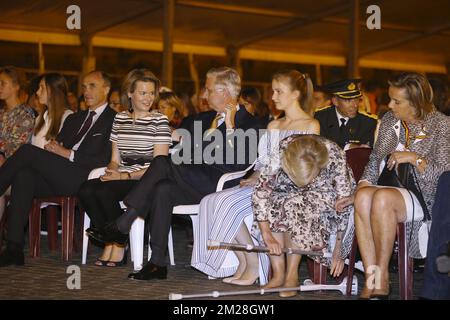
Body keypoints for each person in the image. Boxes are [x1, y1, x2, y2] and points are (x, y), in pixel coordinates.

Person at [87, 67, 261, 280]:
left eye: (207, 90)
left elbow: (238, 162)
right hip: (189, 179)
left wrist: (231, 126)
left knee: (162, 163)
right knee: (163, 188)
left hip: (219, 184)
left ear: (224, 91)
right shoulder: (202, 119)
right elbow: (180, 147)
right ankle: (156, 263)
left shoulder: (250, 123)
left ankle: (124, 222)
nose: (204, 96)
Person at [191, 70, 320, 286]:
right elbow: (263, 162)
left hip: (292, 188)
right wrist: (256, 175)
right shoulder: (274, 126)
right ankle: (247, 260)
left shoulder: (310, 125)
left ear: (296, 94)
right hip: (265, 185)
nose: (273, 97)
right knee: (212, 200)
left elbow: (307, 167)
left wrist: (270, 179)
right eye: (273, 91)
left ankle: (272, 269)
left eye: (279, 92)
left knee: (236, 203)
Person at [338, 72, 450, 299]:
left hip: (427, 195)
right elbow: (375, 160)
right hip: (393, 187)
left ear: (416, 103)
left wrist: (414, 158)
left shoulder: (441, 125)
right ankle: (373, 278)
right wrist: (360, 187)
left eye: (397, 101)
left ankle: (383, 277)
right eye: (390, 99)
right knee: (362, 197)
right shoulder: (390, 120)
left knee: (382, 199)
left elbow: (443, 174)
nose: (390, 105)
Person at [0, 70, 116, 267]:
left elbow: (104, 160)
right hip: (61, 174)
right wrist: (54, 149)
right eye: (84, 87)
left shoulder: (115, 120)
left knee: (27, 151)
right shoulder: (75, 119)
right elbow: (58, 145)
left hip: (86, 177)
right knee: (24, 175)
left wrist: (67, 153)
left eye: (92, 86)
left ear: (106, 89)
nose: (86, 91)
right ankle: (14, 248)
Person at [79, 69, 171, 267]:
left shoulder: (160, 120)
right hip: (122, 175)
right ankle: (114, 240)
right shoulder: (120, 119)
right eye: (143, 93)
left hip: (144, 180)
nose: (148, 98)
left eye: (151, 93)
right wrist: (112, 170)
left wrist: (122, 176)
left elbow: (159, 165)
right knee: (86, 189)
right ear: (130, 93)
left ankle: (118, 245)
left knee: (104, 192)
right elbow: (114, 158)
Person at [252, 134, 355, 297]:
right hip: (285, 191)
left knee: (295, 205)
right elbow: (261, 191)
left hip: (324, 193)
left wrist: (339, 248)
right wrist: (266, 235)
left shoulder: (335, 155)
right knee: (274, 203)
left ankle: (292, 275)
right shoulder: (281, 151)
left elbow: (344, 204)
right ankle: (278, 274)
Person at [0, 66, 35, 224]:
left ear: (16, 86)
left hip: (15, 173)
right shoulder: (2, 113)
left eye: (3, 83)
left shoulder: (25, 114)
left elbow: (16, 150)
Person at [315, 79, 377, 150]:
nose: (355, 105)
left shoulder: (368, 122)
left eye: (357, 99)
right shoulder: (320, 118)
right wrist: (348, 147)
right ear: (335, 101)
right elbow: (317, 145)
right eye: (348, 100)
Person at [32, 73, 73, 149]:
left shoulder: (68, 117)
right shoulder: (39, 118)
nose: (37, 92)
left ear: (53, 90)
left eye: (42, 88)